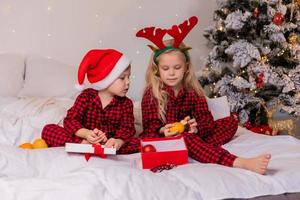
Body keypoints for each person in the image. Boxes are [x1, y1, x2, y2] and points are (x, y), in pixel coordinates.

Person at [121, 16, 271, 174]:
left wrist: (195, 126)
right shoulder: (152, 93)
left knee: (230, 123)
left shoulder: (193, 91)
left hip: (190, 134)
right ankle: (238, 162)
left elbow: (206, 119)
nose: (171, 73)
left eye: (177, 67)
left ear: (185, 67)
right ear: (157, 70)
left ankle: (197, 148)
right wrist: (163, 130)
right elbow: (150, 128)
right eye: (166, 68)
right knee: (185, 139)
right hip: (164, 139)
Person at [42, 49, 135, 151]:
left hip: (109, 144)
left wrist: (117, 142)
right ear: (106, 79)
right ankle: (84, 145)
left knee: (140, 142)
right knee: (49, 129)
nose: (128, 82)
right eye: (122, 78)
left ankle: (105, 148)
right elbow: (71, 120)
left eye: (128, 77)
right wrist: (86, 134)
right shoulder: (86, 96)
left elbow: (127, 128)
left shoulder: (126, 103)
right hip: (86, 139)